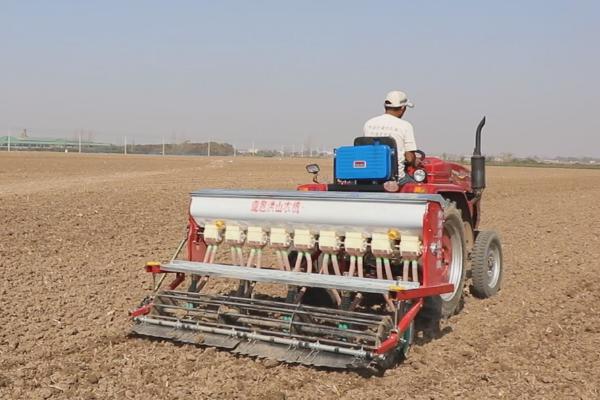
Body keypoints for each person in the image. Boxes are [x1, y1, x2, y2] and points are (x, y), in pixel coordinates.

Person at [363, 90, 418, 185]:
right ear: (403, 108)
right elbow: (409, 158)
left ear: (385, 106)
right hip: (396, 178)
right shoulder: (405, 126)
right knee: (419, 186)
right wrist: (415, 161)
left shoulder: (369, 123)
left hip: (370, 176)